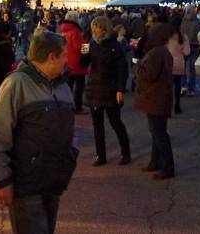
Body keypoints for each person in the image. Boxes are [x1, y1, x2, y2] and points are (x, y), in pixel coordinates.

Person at [0, 31, 78, 234]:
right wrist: (2, 180)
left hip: (54, 181)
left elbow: (69, 130)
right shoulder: (16, 84)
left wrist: (70, 157)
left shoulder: (63, 87)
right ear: (51, 57)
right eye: (64, 56)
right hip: (25, 184)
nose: (67, 61)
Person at [81, 16, 131, 166]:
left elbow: (123, 69)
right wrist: (83, 54)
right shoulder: (92, 44)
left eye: (96, 27)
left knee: (116, 123)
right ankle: (100, 155)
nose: (94, 30)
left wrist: (120, 89)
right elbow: (84, 65)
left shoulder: (114, 45)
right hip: (95, 88)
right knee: (97, 125)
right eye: (93, 28)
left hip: (110, 88)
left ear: (104, 29)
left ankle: (125, 153)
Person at [133, 23, 175, 180]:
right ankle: (155, 161)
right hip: (159, 97)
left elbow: (148, 75)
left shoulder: (156, 53)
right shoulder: (163, 52)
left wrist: (136, 66)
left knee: (159, 133)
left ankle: (167, 166)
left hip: (155, 98)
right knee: (157, 132)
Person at [61, 11, 88, 114]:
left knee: (68, 86)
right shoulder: (75, 31)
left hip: (67, 61)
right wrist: (86, 43)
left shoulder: (64, 29)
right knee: (79, 86)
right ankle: (77, 107)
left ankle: (66, 106)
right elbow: (79, 47)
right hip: (77, 62)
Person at [180, 6, 200, 96]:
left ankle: (183, 85)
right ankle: (192, 88)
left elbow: (180, 32)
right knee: (192, 67)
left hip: (184, 45)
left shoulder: (182, 21)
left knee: (183, 66)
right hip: (194, 45)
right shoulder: (198, 21)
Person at [167, 23, 190, 115]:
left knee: (168, 87)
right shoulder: (183, 37)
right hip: (179, 62)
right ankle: (177, 105)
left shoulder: (167, 37)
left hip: (168, 62)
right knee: (177, 85)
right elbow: (187, 52)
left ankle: (168, 107)